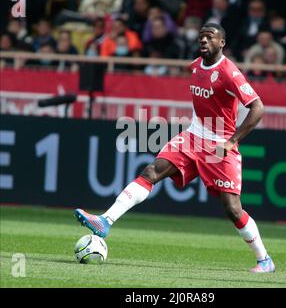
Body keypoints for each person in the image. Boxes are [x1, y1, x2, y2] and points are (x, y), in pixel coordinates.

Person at [74, 23, 275, 273]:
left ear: (222, 42)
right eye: (201, 36)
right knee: (151, 171)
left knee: (233, 209)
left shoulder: (229, 72)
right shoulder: (195, 66)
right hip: (192, 137)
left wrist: (231, 142)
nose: (203, 40)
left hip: (219, 144)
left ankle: (264, 259)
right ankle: (105, 220)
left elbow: (258, 108)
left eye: (210, 37)